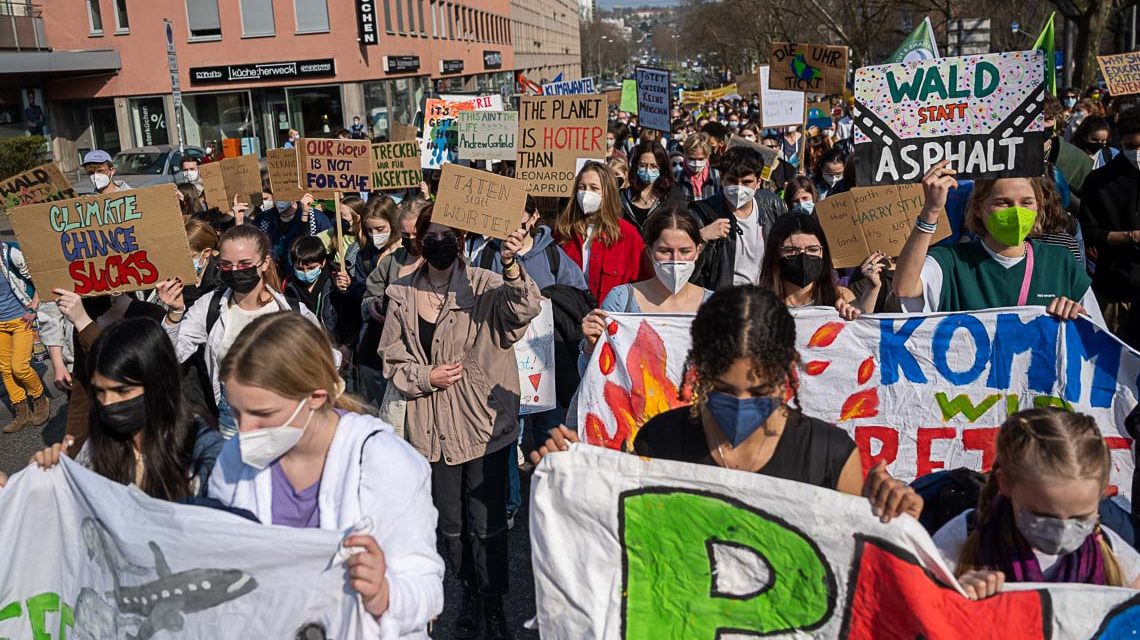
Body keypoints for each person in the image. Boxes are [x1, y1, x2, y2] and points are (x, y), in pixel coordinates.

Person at [534, 286, 921, 519]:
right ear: (698, 374)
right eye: (723, 389)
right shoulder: (661, 441)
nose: (741, 404)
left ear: (786, 374)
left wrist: (891, 512)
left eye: (759, 392)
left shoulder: (829, 456)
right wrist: (578, 475)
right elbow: (626, 528)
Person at [208, 312, 445, 634]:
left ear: (315, 396)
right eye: (236, 411)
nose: (244, 429)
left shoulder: (383, 462)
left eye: (263, 414)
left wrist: (384, 594)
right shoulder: (233, 460)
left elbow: (428, 590)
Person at [378, 206, 542, 639]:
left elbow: (526, 308)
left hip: (483, 425)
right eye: (432, 235)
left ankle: (493, 605)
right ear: (418, 240)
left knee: (487, 525)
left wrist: (510, 263)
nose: (440, 242)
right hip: (430, 430)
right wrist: (423, 376)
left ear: (463, 240)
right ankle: (468, 591)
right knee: (451, 527)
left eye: (448, 235)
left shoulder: (486, 285)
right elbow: (391, 360)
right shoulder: (400, 293)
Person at [933, 408, 1140, 599]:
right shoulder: (961, 538)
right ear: (1006, 483)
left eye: (1080, 518)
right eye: (1044, 516)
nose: (1062, 531)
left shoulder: (1112, 550)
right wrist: (956, 598)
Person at [31, 317, 223, 500]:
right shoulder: (97, 445)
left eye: (122, 390)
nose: (107, 402)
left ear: (159, 382)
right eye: (99, 391)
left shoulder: (202, 447)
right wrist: (55, 479)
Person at [894, 161, 1103, 324]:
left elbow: (1097, 338)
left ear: (1039, 207)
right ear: (978, 207)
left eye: (1026, 202)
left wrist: (1078, 318)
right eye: (1002, 203)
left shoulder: (1060, 262)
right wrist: (931, 211)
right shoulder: (951, 262)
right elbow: (904, 288)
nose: (1016, 212)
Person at [173, 225, 322, 438]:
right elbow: (172, 353)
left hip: (283, 421)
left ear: (264, 264)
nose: (235, 271)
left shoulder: (293, 312)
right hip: (231, 421)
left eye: (244, 264)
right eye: (226, 265)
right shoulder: (210, 306)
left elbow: (324, 363)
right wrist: (175, 314)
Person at [582, 207, 713, 358]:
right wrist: (591, 347)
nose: (676, 259)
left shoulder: (716, 305)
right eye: (665, 251)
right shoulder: (622, 300)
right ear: (650, 252)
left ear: (698, 251)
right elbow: (595, 374)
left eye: (685, 251)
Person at [1079, 108, 1140, 348]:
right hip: (1115, 292)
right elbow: (1089, 232)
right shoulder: (1099, 180)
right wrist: (1130, 237)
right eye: (1131, 147)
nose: (1137, 154)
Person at [360, 197, 428, 410]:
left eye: (416, 235)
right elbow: (370, 293)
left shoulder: (441, 261)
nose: (411, 240)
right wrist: (373, 306)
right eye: (406, 235)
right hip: (394, 353)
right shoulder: (393, 260)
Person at [689, 146, 790, 290]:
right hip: (723, 300)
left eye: (747, 182)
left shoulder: (774, 206)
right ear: (722, 179)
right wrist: (702, 237)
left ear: (758, 182)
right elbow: (688, 273)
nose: (739, 188)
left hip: (766, 297)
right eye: (732, 181)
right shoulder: (701, 214)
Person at [556, 161, 648, 304]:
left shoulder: (628, 235)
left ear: (607, 193)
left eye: (594, 188)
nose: (586, 193)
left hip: (610, 320)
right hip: (570, 318)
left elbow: (643, 283)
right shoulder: (564, 232)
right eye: (582, 187)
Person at [758, 213, 876, 318]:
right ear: (775, 254)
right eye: (791, 250)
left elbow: (862, 332)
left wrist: (871, 291)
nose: (803, 256)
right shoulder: (757, 306)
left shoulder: (841, 297)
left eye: (813, 249)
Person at [0, 241, 47, 433]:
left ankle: (39, 397)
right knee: (5, 369)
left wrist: (33, 308)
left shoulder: (10, 254)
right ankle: (22, 413)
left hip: (21, 320)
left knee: (19, 367)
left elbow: (39, 279)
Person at [283, 236, 351, 338]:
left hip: (334, 341)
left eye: (311, 268)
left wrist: (345, 291)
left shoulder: (336, 278)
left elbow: (350, 313)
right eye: (300, 269)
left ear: (322, 262)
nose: (306, 273)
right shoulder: (289, 285)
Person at [252, 192, 333, 274]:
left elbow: (329, 252)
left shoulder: (316, 218)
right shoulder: (263, 219)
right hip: (272, 278)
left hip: (303, 280)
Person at [622, 141, 685, 231]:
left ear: (662, 168)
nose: (648, 170)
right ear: (636, 166)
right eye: (643, 165)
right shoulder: (622, 197)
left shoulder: (673, 196)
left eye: (653, 166)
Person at [182, 218, 223, 309]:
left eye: (189, 257)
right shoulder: (181, 279)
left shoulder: (220, 280)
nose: (183, 262)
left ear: (206, 252)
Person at [676, 133, 722, 202]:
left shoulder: (717, 177)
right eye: (692, 159)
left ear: (707, 156)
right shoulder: (677, 177)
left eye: (700, 159)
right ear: (685, 155)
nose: (696, 163)